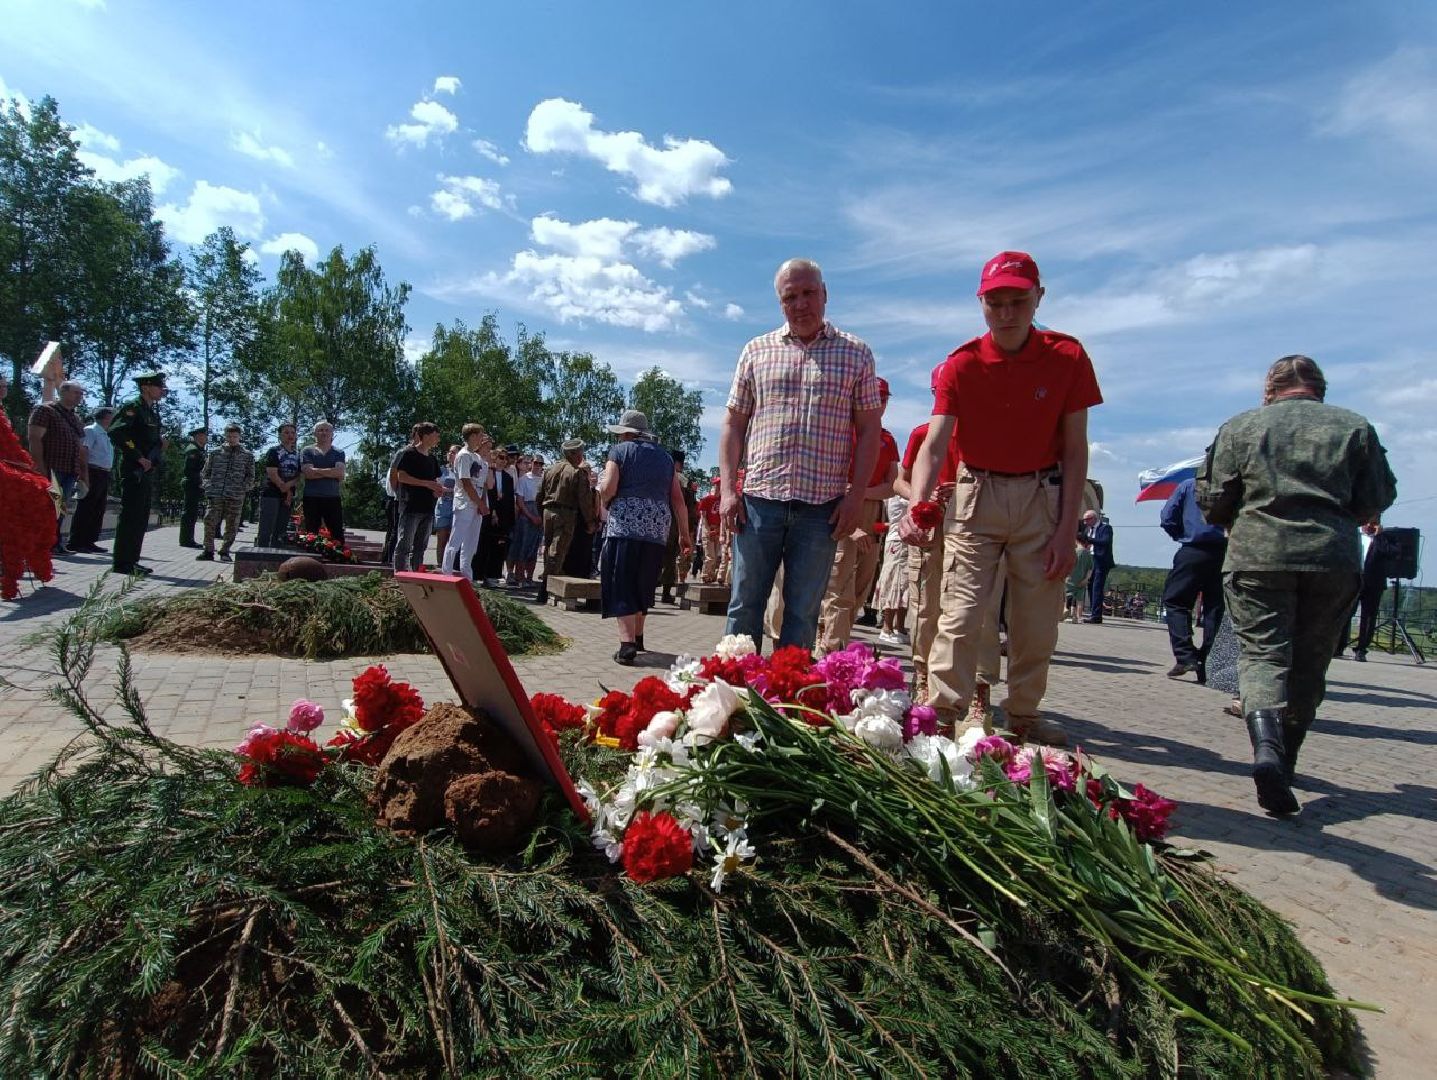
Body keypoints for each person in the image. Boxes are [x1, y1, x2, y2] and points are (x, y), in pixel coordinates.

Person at [900, 251, 1102, 746]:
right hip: (976, 496)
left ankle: (1024, 716)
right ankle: (944, 715)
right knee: (961, 613)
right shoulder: (962, 364)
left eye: (1019, 301)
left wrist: (1065, 529)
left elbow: (1076, 451)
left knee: (1035, 621)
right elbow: (936, 442)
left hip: (1042, 497)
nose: (1007, 313)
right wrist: (918, 505)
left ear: (1039, 298)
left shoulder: (1067, 357)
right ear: (981, 302)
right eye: (995, 303)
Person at [1198, 354, 1396, 815]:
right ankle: (1284, 765)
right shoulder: (1355, 428)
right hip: (1332, 557)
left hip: (1258, 553)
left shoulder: (1242, 427)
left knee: (1263, 655)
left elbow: (1212, 498)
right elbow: (1376, 497)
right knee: (1310, 661)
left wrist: (1242, 516)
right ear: (1319, 390)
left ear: (1270, 389)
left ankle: (1266, 751)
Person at [720, 258, 882, 650]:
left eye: (809, 293)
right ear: (780, 303)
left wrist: (856, 497)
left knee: (803, 613)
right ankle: (733, 701)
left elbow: (869, 430)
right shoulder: (756, 350)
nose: (801, 304)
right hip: (759, 502)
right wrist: (728, 490)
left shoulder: (856, 354)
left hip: (821, 508)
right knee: (744, 607)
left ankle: (782, 703)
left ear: (825, 295)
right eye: (790, 297)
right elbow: (733, 425)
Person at [597, 410, 690, 664]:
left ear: (627, 433)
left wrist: (603, 498)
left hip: (625, 526)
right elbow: (678, 500)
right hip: (657, 530)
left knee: (622, 580)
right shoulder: (666, 458)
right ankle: (638, 636)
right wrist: (685, 534)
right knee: (644, 580)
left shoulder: (620, 452)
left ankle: (627, 645)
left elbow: (609, 487)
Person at [818, 376, 900, 653]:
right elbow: (829, 479)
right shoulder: (843, 433)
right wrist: (851, 515)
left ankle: (838, 642)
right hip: (842, 508)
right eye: (876, 397)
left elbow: (892, 485)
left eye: (885, 399)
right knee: (839, 585)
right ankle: (830, 649)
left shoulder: (887, 439)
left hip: (871, 512)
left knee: (861, 588)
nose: (880, 403)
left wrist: (863, 492)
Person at [1159, 476, 1228, 680]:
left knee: (1175, 601)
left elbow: (1167, 517)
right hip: (1225, 552)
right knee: (1215, 609)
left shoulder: (1189, 485)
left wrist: (1181, 534)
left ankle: (1186, 655)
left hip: (1193, 549)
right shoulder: (1234, 486)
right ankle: (1206, 662)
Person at [107, 370, 169, 576]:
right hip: (135, 469)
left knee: (140, 516)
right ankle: (122, 562)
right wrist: (137, 456)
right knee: (131, 515)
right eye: (158, 386)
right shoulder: (133, 408)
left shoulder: (150, 412)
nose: (162, 390)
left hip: (147, 469)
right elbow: (117, 431)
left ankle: (132, 560)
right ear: (146, 387)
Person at [27, 379, 87, 555]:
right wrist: (39, 467)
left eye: (81, 394)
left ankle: (55, 542)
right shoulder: (45, 411)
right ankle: (41, 544)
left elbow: (81, 445)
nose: (80, 397)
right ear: (63, 392)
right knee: (48, 506)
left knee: (59, 508)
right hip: (52, 469)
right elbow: (34, 438)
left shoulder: (75, 417)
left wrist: (83, 473)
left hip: (69, 470)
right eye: (76, 393)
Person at [536, 438, 595, 603]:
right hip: (565, 514)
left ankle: (546, 587)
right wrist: (590, 521)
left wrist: (542, 513)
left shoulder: (550, 469)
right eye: (581, 452)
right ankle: (545, 590)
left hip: (548, 511)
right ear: (574, 454)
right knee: (557, 551)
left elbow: (538, 495)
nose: (582, 456)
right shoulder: (577, 472)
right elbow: (584, 500)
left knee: (549, 549)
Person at [196, 424, 254, 562]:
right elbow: (205, 472)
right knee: (209, 520)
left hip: (235, 495)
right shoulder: (215, 453)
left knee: (232, 524)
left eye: (235, 436)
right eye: (229, 436)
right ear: (225, 435)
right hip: (216, 494)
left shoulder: (247, 455)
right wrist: (208, 486)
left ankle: (225, 551)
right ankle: (208, 550)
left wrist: (242, 488)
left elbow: (250, 476)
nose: (232, 439)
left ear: (239, 437)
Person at [392, 422, 444, 572]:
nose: (438, 439)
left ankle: (417, 575)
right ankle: (400, 575)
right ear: (426, 436)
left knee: (421, 546)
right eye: (436, 435)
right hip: (411, 506)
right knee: (405, 545)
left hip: (428, 508)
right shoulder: (409, 454)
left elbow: (435, 481)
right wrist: (426, 484)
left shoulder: (432, 459)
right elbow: (401, 476)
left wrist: (437, 489)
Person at [443, 425, 492, 582]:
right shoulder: (464, 455)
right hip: (464, 502)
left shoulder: (478, 458)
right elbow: (466, 482)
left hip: (476, 504)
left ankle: (467, 576)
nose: (481, 438)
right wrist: (479, 503)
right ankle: (447, 574)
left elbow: (485, 484)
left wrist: (482, 504)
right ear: (472, 436)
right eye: (480, 435)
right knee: (455, 540)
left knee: (471, 544)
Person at [69, 406, 114, 554]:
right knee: (86, 508)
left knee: (98, 509)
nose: (113, 419)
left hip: (104, 473)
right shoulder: (91, 430)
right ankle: (76, 541)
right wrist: (84, 476)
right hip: (92, 471)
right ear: (105, 417)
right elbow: (84, 452)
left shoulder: (105, 434)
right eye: (111, 416)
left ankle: (90, 541)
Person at [300, 421, 347, 543]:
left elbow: (340, 473)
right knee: (311, 532)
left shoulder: (338, 452)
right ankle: (310, 559)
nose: (324, 433)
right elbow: (308, 474)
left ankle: (340, 558)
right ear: (315, 433)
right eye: (320, 430)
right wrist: (331, 472)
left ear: (332, 434)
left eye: (327, 430)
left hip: (332, 497)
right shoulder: (307, 451)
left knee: (337, 532)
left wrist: (316, 471)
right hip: (311, 496)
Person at [257, 423, 301, 548]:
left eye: (293, 433)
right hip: (271, 492)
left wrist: (288, 491)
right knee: (267, 526)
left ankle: (276, 555)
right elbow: (272, 473)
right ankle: (260, 555)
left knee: (281, 528)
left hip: (287, 496)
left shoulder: (297, 454)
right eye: (286, 433)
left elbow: (298, 476)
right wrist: (283, 487)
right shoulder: (274, 451)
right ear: (280, 435)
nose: (290, 435)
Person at [509, 453, 543, 585]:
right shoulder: (524, 479)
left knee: (534, 548)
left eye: (540, 464)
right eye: (536, 463)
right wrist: (531, 516)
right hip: (526, 515)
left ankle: (530, 576)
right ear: (531, 464)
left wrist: (539, 516)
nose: (538, 466)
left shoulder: (544, 480)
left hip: (539, 513)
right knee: (522, 546)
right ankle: (519, 576)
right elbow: (520, 501)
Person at [1080, 509, 1115, 622]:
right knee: (1090, 586)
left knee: (1097, 587)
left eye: (1087, 520)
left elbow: (1105, 541)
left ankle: (1096, 616)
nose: (1085, 522)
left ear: (1093, 518)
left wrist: (1089, 540)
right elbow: (1085, 540)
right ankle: (1094, 613)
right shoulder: (1088, 529)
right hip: (1091, 560)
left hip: (1101, 561)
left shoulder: (1105, 528)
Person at [178, 426, 208, 548]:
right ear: (198, 436)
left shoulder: (199, 449)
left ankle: (189, 538)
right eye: (204, 435)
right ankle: (186, 540)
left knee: (192, 512)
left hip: (195, 483)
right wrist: (200, 481)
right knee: (189, 512)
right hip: (191, 483)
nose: (206, 438)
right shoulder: (193, 450)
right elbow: (189, 470)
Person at [432, 444, 458, 568]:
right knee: (441, 538)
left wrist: (447, 489)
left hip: (456, 506)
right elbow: (436, 486)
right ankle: (439, 565)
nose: (450, 454)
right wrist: (450, 490)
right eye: (449, 452)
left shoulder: (461, 471)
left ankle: (450, 567)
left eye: (453, 452)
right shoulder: (441, 470)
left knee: (452, 539)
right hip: (443, 506)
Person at [1065, 537, 1094, 623]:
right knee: (1079, 600)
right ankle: (1077, 617)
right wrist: (1086, 579)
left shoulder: (1074, 552)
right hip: (1082, 580)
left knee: (1068, 597)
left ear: (1077, 541)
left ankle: (1067, 612)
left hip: (1071, 578)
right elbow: (1090, 569)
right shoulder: (1088, 554)